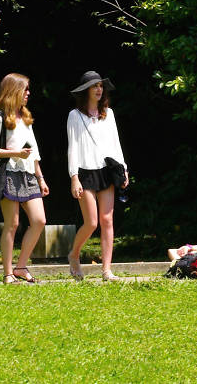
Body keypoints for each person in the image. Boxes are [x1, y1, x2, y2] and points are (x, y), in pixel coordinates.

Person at [0, 73, 49, 284]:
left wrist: (41, 178)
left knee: (39, 220)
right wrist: (15, 154)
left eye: (29, 89)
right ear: (13, 91)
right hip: (8, 174)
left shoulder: (26, 119)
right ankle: (8, 273)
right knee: (12, 224)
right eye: (25, 89)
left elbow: (34, 152)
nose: (28, 93)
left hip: (29, 175)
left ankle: (21, 267)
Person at [66, 71, 129, 282]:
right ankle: (74, 255)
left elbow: (115, 143)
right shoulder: (75, 115)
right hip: (85, 172)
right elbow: (72, 148)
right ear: (86, 91)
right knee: (91, 222)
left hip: (106, 171)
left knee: (107, 220)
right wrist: (74, 177)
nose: (99, 89)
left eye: (101, 86)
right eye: (95, 86)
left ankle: (106, 271)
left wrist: (124, 169)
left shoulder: (108, 114)